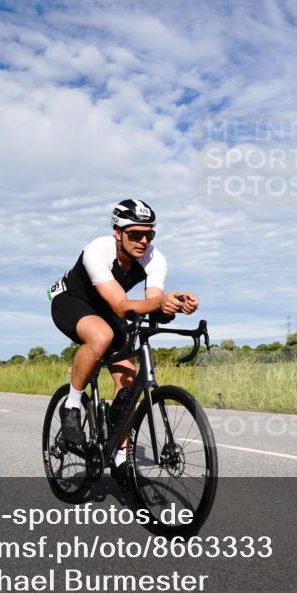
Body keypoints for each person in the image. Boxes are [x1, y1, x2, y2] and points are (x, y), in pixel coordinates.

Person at [48, 199, 199, 470]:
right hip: (71, 301)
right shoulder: (98, 249)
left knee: (128, 379)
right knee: (101, 335)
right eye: (134, 234)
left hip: (108, 311)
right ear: (117, 232)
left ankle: (119, 455)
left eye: (148, 234)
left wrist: (174, 306)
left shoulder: (155, 258)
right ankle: (71, 406)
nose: (142, 240)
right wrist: (160, 302)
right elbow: (120, 304)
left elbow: (153, 303)